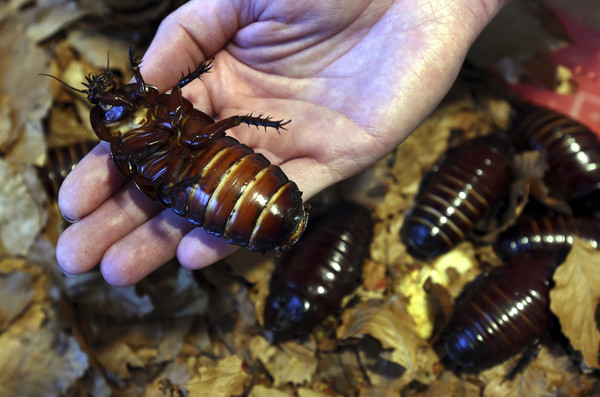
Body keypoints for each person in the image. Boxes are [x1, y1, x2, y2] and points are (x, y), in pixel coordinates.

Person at [56, 0, 508, 286]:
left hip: (202, 174)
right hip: (200, 177)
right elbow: (154, 166)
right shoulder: (138, 142)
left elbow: (168, 123)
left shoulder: (147, 122)